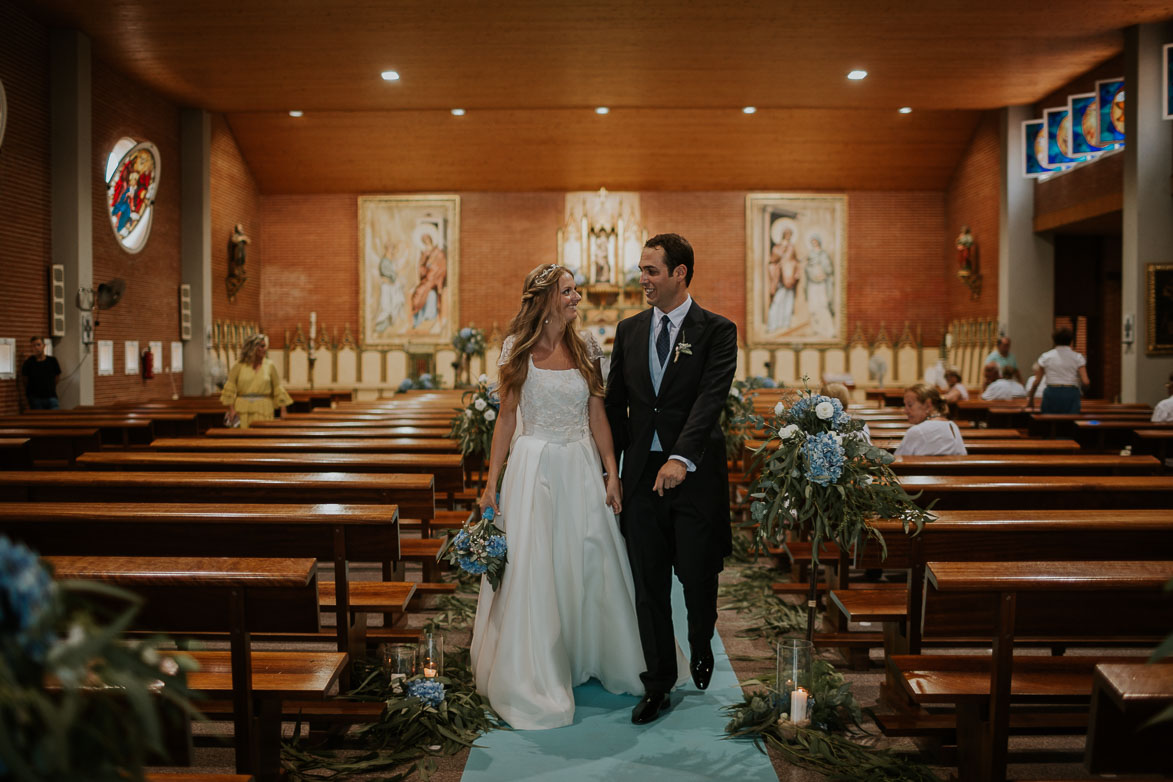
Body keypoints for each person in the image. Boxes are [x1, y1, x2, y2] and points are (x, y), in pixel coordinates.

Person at [470, 263, 669, 730]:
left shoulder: (587, 348)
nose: (577, 297)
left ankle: (591, 652)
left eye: (576, 290)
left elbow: (599, 414)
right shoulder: (516, 351)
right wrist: (490, 482)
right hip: (534, 466)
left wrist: (611, 472)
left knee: (590, 557)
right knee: (536, 566)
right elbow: (506, 419)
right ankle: (537, 667)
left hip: (580, 465)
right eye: (568, 291)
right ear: (544, 300)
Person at [605, 233, 738, 725]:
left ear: (679, 273)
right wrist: (609, 470)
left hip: (694, 479)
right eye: (641, 270)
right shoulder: (630, 330)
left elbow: (709, 401)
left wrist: (681, 456)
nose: (643, 279)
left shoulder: (717, 331)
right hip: (641, 479)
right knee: (649, 585)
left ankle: (701, 636)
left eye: (652, 271)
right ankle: (658, 682)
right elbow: (617, 406)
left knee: (698, 576)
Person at [219, 334, 293, 428]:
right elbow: (230, 388)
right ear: (252, 347)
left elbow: (277, 388)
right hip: (242, 409)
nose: (265, 349)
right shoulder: (239, 365)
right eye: (262, 346)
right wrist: (231, 409)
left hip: (264, 409)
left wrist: (283, 410)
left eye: (265, 346)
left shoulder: (269, 365)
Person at [1027, 327, 1089, 414]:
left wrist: (1031, 399)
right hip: (1071, 393)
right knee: (1070, 424)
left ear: (1054, 340)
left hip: (1052, 393)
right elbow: (1086, 382)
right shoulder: (1078, 357)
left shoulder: (1046, 356)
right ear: (1071, 341)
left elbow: (1036, 382)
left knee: (1050, 422)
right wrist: (1081, 393)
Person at [895, 383, 967, 456]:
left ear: (928, 405)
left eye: (910, 405)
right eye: (905, 405)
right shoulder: (953, 426)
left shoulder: (916, 431)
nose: (905, 411)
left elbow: (895, 462)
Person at [766, 226, 799, 332]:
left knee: (788, 300)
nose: (789, 236)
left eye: (790, 234)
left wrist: (795, 271)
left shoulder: (792, 247)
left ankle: (785, 323)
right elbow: (772, 261)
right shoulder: (777, 247)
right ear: (783, 235)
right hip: (779, 278)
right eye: (787, 234)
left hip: (789, 277)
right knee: (777, 300)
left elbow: (795, 261)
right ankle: (773, 324)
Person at [803, 235, 835, 338]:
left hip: (821, 283)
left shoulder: (824, 254)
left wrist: (823, 274)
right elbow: (807, 268)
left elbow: (829, 269)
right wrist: (810, 271)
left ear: (819, 242)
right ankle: (817, 329)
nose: (814, 244)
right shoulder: (810, 254)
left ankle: (828, 330)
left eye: (816, 242)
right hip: (812, 283)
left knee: (822, 305)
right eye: (812, 242)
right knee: (813, 306)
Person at [22, 337, 61, 409]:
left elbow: (57, 377)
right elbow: (25, 380)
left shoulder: (52, 361)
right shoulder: (29, 363)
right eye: (34, 346)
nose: (36, 348)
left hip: (51, 396)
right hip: (35, 398)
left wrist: (51, 385)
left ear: (44, 346)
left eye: (38, 345)